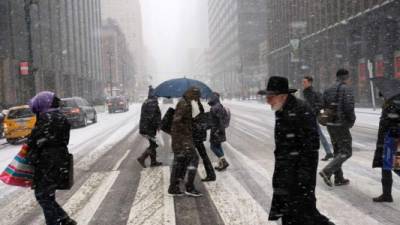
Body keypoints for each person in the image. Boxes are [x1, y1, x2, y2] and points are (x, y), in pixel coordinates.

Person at [258, 76, 334, 225]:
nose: (267, 100)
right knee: (296, 214)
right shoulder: (282, 109)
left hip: (298, 175)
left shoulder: (300, 110)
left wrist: (302, 177)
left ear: (282, 96)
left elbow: (311, 146)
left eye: (270, 97)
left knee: (303, 214)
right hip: (288, 173)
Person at [27, 91, 76, 225]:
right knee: (47, 195)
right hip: (58, 159)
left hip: (47, 162)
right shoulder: (60, 116)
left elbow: (33, 140)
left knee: (43, 195)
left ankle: (57, 221)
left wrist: (33, 149)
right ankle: (64, 220)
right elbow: (62, 139)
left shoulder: (46, 118)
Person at [319, 69, 356, 187]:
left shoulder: (328, 89)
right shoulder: (346, 89)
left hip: (331, 124)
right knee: (346, 151)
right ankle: (327, 171)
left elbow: (323, 105)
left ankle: (339, 178)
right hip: (341, 124)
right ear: (346, 77)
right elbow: (349, 107)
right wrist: (351, 121)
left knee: (337, 150)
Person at [168, 87, 203, 197]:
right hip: (182, 139)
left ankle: (174, 187)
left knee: (179, 162)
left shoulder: (186, 102)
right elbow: (177, 121)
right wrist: (188, 128)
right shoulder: (184, 104)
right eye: (196, 96)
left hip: (181, 139)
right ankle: (189, 187)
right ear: (192, 94)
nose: (197, 98)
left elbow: (183, 120)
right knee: (193, 158)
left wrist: (190, 122)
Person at [372, 93, 400, 202]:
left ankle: (387, 195)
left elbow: (393, 119)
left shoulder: (394, 103)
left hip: (391, 138)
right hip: (391, 137)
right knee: (393, 165)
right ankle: (386, 194)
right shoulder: (392, 102)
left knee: (388, 165)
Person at [302, 76, 334, 161]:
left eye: (305, 82)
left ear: (310, 83)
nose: (303, 83)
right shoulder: (305, 92)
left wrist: (312, 111)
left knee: (316, 135)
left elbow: (320, 104)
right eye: (303, 82)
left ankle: (328, 152)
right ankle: (328, 152)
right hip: (307, 116)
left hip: (312, 116)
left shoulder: (313, 93)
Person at [137, 88, 162, 168]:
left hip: (146, 127)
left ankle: (153, 162)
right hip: (149, 128)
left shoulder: (148, 101)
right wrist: (157, 125)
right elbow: (152, 117)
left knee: (153, 143)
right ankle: (142, 158)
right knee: (154, 144)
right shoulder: (152, 103)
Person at [192, 98, 216, 182]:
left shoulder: (192, 105)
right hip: (199, 133)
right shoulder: (197, 103)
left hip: (194, 134)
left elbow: (193, 119)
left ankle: (183, 178)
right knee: (203, 155)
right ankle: (211, 174)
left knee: (188, 156)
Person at [208, 92, 229, 171]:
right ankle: (221, 164)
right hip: (218, 129)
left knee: (213, 147)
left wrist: (217, 131)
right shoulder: (218, 106)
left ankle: (224, 162)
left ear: (214, 98)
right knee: (218, 146)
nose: (209, 99)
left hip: (216, 130)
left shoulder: (215, 108)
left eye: (210, 97)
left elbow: (219, 120)